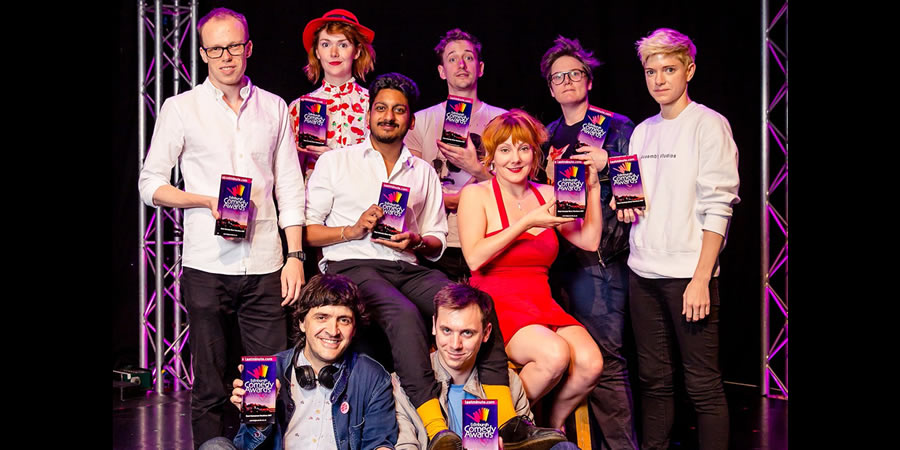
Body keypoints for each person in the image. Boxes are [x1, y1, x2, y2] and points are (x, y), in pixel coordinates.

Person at [304, 72, 525, 449]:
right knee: (404, 314)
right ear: (368, 114)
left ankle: (507, 418)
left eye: (398, 110)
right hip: (352, 263)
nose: (388, 116)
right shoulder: (336, 162)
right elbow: (309, 232)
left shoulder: (422, 172)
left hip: (406, 265)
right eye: (381, 109)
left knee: (475, 304)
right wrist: (353, 230)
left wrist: (416, 239)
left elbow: (437, 240)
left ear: (410, 119)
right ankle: (435, 425)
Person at [137, 7, 306, 448]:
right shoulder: (181, 109)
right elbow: (149, 184)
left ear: (248, 48)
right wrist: (204, 199)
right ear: (203, 53)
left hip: (266, 261)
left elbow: (290, 187)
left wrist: (295, 256)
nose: (226, 57)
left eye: (234, 46)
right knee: (210, 382)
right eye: (216, 49)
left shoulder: (273, 107)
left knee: (265, 381)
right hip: (207, 264)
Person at [615, 28, 740, 450]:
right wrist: (624, 206)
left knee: (702, 385)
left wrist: (702, 277)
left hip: (689, 275)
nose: (659, 80)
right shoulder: (641, 132)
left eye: (669, 69)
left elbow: (718, 206)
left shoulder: (709, 125)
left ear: (689, 69)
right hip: (642, 273)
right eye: (651, 71)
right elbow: (638, 199)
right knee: (654, 383)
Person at [457, 109, 605, 430]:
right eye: (505, 149)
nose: (515, 158)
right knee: (553, 356)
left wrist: (592, 190)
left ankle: (549, 425)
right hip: (496, 306)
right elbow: (474, 258)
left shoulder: (549, 194)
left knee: (592, 364)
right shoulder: (476, 195)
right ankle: (497, 429)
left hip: (541, 301)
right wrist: (527, 222)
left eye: (524, 148)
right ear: (491, 157)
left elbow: (590, 241)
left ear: (534, 154)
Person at [539, 35, 639, 449]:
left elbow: (639, 192)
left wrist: (609, 166)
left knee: (607, 360)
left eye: (574, 74)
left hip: (600, 260)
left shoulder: (617, 126)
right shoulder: (548, 134)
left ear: (588, 80)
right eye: (557, 77)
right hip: (557, 259)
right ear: (550, 87)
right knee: (570, 358)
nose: (566, 82)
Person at [200, 274, 398, 450]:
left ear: (354, 329)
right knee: (214, 447)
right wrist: (258, 422)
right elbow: (246, 447)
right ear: (302, 322)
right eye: (322, 317)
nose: (333, 330)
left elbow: (379, 442)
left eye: (344, 320)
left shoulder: (372, 376)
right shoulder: (268, 369)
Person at [393, 282, 570, 450]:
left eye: (467, 333)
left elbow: (527, 445)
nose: (455, 344)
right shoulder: (403, 385)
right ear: (434, 326)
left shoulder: (509, 382)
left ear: (486, 333)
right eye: (446, 330)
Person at [404, 28, 507, 282]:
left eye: (468, 57)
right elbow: (409, 183)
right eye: (452, 58)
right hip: (437, 243)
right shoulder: (420, 121)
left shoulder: (503, 120)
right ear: (441, 71)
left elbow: (517, 189)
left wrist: (478, 171)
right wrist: (447, 199)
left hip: (490, 239)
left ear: (480, 68)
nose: (461, 64)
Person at [288, 8, 376, 178]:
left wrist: (332, 157)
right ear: (317, 52)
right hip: (313, 200)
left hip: (361, 200)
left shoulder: (373, 103)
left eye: (343, 44)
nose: (334, 53)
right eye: (326, 44)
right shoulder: (298, 107)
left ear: (356, 51)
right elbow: (289, 174)